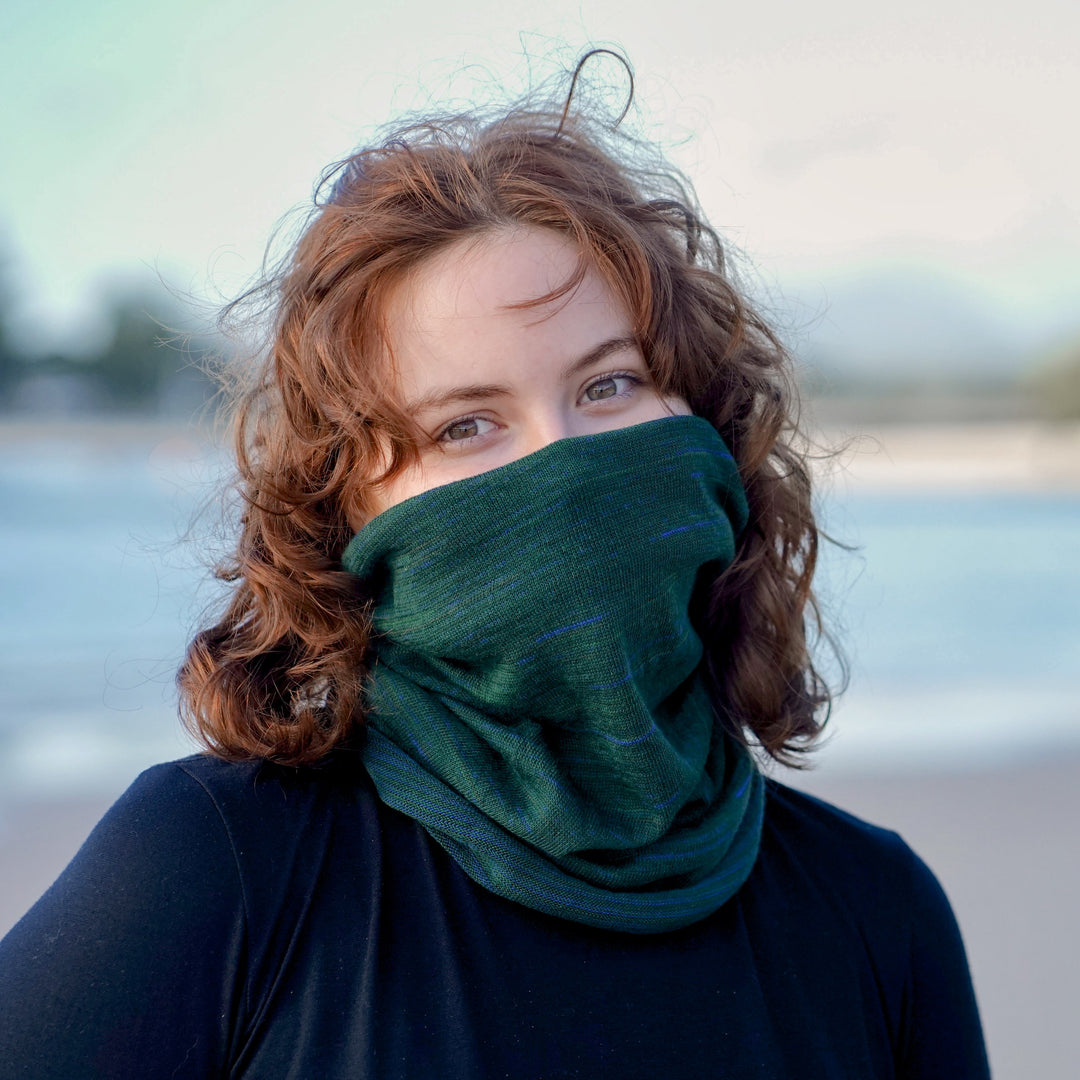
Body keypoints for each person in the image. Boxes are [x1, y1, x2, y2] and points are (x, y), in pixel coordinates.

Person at [0, 54, 990, 1078]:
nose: (561, 464)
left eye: (608, 385)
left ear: (707, 420)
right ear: (346, 514)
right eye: (465, 426)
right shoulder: (221, 868)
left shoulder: (878, 912)